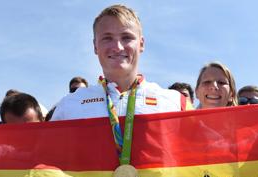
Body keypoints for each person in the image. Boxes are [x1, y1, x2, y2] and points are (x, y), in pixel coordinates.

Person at [51, 4, 192, 121]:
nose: (118, 47)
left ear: (141, 44)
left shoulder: (176, 104)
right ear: (95, 46)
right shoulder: (68, 106)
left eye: (126, 37)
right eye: (107, 38)